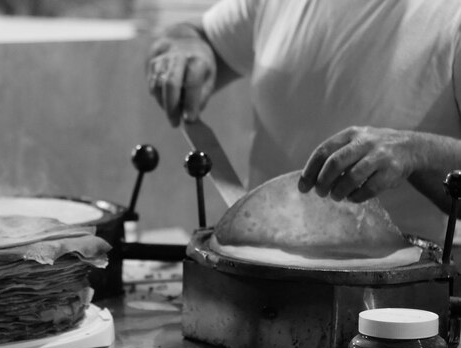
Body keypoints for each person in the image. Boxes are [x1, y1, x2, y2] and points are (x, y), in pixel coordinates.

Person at [146, 0, 461, 243]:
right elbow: (197, 35)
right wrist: (186, 47)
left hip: (410, 301)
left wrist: (417, 152)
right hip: (265, 275)